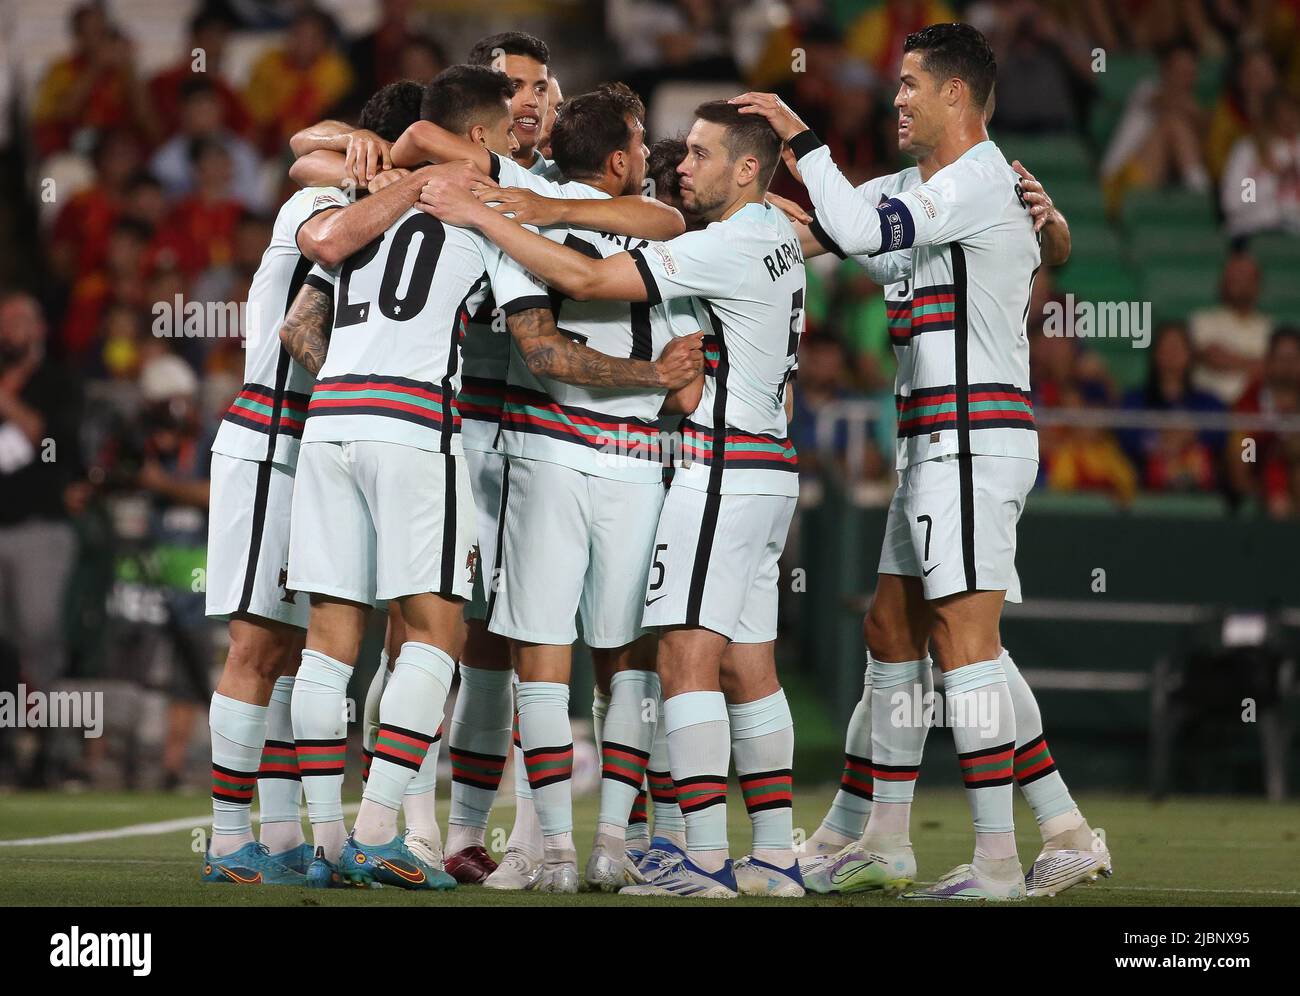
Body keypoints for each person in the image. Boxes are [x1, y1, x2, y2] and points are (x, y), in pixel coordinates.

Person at [277, 65, 700, 892]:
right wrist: (651, 377)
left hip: (328, 424)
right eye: (508, 128)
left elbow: (307, 286)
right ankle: (382, 833)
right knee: (441, 636)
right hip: (423, 427)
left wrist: (381, 161)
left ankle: (324, 842)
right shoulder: (486, 214)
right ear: (482, 139)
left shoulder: (365, 201)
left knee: (331, 645)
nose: (521, 139)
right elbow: (543, 350)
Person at [418, 99, 808, 899]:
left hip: (577, 455)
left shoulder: (527, 227)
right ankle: (696, 849)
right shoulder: (686, 226)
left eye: (698, 153)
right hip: (677, 459)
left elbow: (556, 326)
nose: (678, 163)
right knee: (660, 664)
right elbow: (771, 228)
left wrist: (494, 210)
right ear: (626, 160)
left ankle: (599, 851)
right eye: (658, 146)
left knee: (567, 654)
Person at [735, 22, 1078, 901]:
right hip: (930, 443)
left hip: (972, 438)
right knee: (893, 628)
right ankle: (889, 837)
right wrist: (714, 199)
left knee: (966, 642)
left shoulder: (975, 177)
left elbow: (850, 224)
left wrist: (794, 133)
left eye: (911, 84)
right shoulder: (913, 184)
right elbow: (819, 232)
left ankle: (1000, 858)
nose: (897, 99)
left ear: (956, 95)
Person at [199, 81, 452, 888]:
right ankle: (229, 838)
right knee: (254, 646)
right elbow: (306, 156)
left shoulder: (383, 206)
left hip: (314, 446)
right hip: (271, 434)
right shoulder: (321, 198)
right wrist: (392, 169)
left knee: (294, 650)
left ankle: (280, 841)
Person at [0, 293, 81, 698]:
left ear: (39, 329)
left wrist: (6, 400)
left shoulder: (56, 381)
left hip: (38, 528)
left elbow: (44, 437)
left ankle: (46, 738)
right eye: (3, 320)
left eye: (17, 320)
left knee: (38, 631)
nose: (7, 329)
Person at [1190, 252, 1274, 405]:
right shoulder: (1203, 320)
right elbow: (1214, 358)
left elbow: (1276, 368)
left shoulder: (1270, 327)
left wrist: (1231, 359)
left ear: (1257, 284)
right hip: (1211, 413)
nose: (1238, 282)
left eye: (1245, 277)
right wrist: (1257, 364)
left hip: (1256, 417)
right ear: (1222, 282)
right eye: (1233, 277)